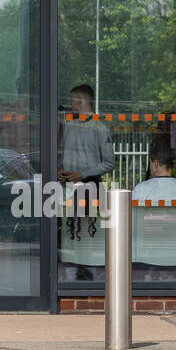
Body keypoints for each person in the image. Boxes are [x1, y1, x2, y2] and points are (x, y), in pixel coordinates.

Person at [59, 84, 113, 278]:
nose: (70, 104)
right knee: (68, 232)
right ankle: (70, 275)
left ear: (81, 101)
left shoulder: (100, 128)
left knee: (87, 232)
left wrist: (82, 175)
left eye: (72, 99)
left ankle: (87, 273)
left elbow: (109, 163)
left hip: (89, 187)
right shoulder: (70, 125)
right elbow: (63, 153)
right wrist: (60, 169)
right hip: (67, 187)